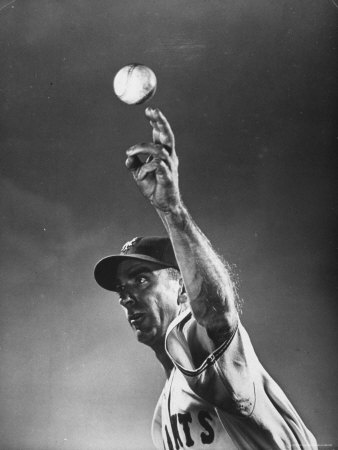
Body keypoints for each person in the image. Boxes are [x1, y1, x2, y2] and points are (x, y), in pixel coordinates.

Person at [94, 108, 317, 450]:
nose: (125, 297)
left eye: (141, 280)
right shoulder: (163, 415)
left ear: (183, 286)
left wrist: (172, 210)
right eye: (121, 289)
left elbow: (217, 315)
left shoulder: (204, 347)